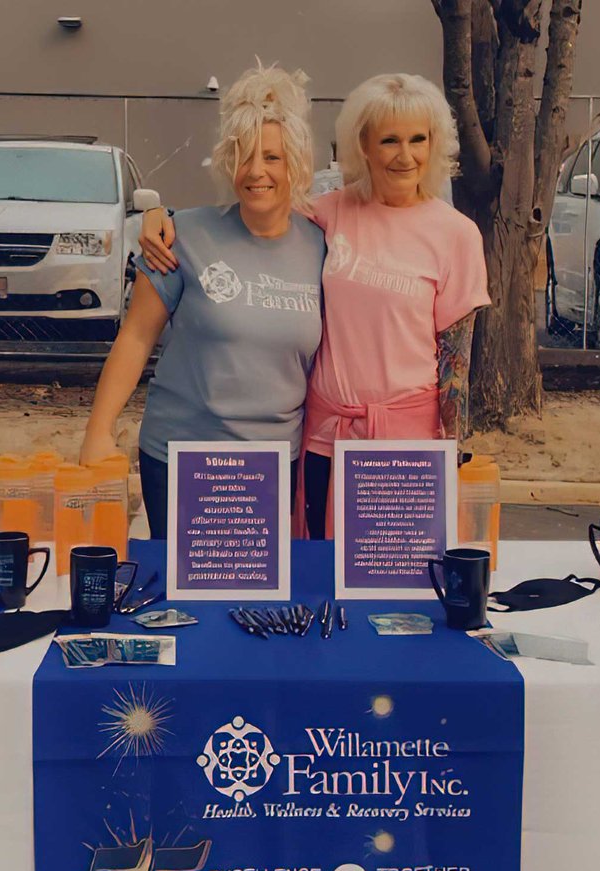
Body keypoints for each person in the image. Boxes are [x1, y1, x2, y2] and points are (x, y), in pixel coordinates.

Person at [140, 73, 490, 537]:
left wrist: (452, 452)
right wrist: (158, 217)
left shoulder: (457, 235)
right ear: (363, 144)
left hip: (406, 443)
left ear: (435, 143)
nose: (405, 156)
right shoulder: (328, 213)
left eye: (417, 140)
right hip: (325, 439)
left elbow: (456, 361)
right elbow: (258, 208)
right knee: (317, 575)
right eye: (389, 140)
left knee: (391, 589)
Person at [78, 63, 325, 538]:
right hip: (181, 456)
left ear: (294, 163)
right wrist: (99, 431)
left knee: (256, 600)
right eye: (243, 156)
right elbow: (135, 337)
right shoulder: (182, 234)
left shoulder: (321, 246)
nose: (255, 172)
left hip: (272, 464)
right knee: (184, 602)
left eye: (271, 158)